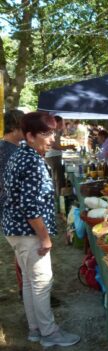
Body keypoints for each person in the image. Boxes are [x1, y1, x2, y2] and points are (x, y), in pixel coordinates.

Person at [2, 112, 80, 348]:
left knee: (29, 281)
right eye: (46, 133)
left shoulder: (21, 154)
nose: (51, 138)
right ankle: (49, 332)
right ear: (30, 135)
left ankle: (36, 330)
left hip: (15, 230)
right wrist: (44, 237)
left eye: (53, 132)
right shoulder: (32, 161)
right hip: (28, 233)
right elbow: (30, 206)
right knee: (41, 282)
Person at [1, 110, 25, 297]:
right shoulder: (13, 152)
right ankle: (26, 290)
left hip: (9, 213)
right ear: (16, 126)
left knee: (20, 254)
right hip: (15, 215)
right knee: (23, 256)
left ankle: (26, 289)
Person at [45, 116, 75, 195]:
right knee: (58, 177)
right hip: (52, 156)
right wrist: (68, 147)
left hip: (54, 155)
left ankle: (58, 194)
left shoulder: (55, 130)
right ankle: (59, 196)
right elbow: (55, 146)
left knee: (57, 176)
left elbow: (56, 145)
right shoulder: (53, 131)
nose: (62, 125)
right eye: (61, 123)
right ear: (56, 122)